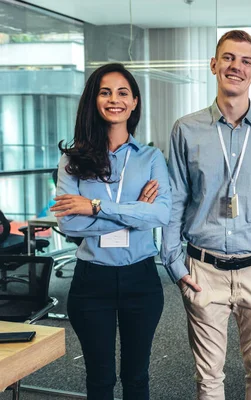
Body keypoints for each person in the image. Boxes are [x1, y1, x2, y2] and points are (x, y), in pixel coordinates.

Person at [161, 30, 251, 400]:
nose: (236, 66)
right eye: (229, 58)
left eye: (245, 61)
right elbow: (175, 200)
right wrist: (175, 265)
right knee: (208, 378)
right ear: (214, 65)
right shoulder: (186, 129)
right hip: (204, 272)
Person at [51, 63, 171, 400]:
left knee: (137, 377)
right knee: (99, 380)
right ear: (94, 100)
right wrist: (135, 211)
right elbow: (69, 223)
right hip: (92, 282)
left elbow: (161, 213)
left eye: (122, 93)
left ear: (134, 102)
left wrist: (95, 206)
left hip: (141, 280)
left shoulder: (150, 158)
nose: (113, 99)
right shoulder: (72, 159)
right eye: (105, 92)